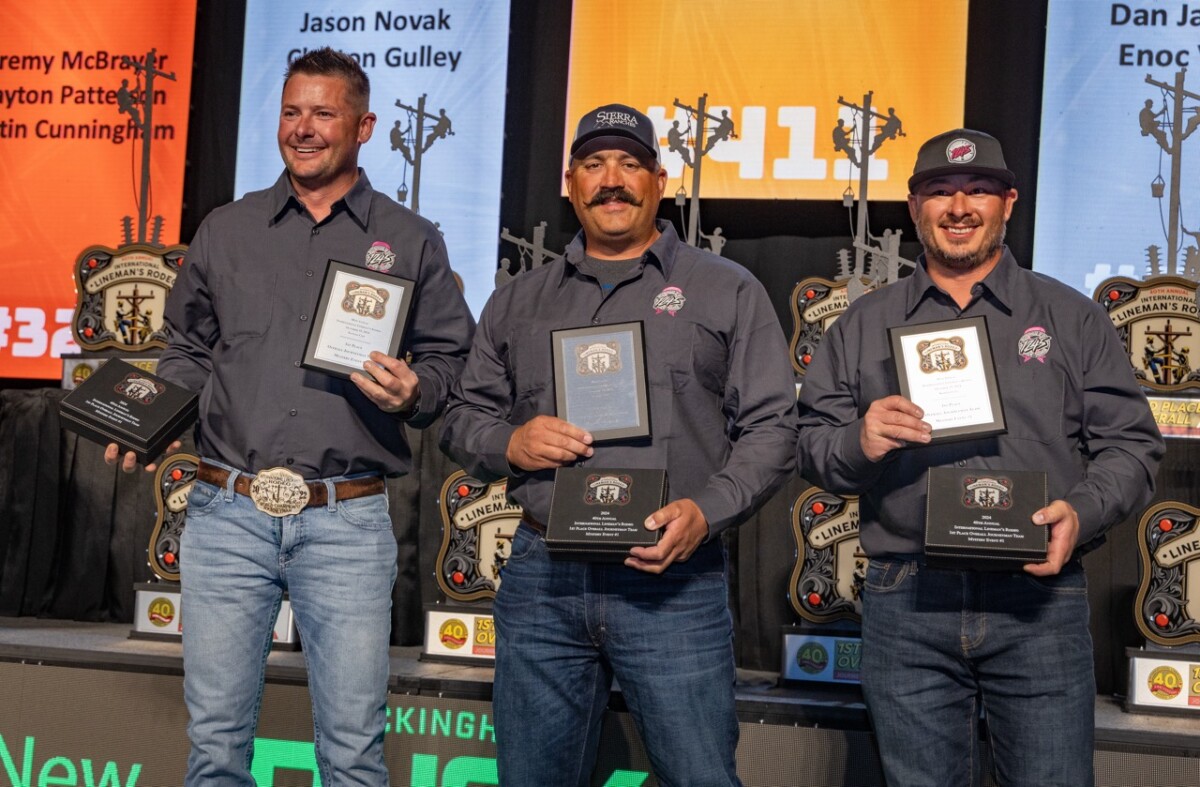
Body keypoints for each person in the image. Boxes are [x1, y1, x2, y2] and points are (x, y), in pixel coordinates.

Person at [105, 47, 474, 785]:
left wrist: (415, 390)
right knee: (214, 747)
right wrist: (150, 419)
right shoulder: (225, 229)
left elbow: (452, 364)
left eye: (323, 114)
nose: (302, 129)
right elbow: (187, 349)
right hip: (224, 511)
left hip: (345, 520)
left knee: (352, 752)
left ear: (364, 125)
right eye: (291, 112)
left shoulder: (410, 240)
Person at [440, 103, 797, 786]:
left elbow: (775, 428)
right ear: (568, 181)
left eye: (630, 164)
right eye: (596, 164)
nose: (613, 180)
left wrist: (708, 511)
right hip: (544, 574)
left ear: (660, 181)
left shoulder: (727, 290)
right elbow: (462, 414)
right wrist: (510, 441)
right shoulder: (517, 301)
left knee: (700, 777)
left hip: (674, 578)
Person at [795, 128, 1164, 786]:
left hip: (1038, 601)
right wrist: (859, 440)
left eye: (978, 191)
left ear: (1009, 202)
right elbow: (811, 446)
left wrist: (1080, 513)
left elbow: (1131, 443)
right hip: (907, 597)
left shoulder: (1071, 318)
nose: (959, 207)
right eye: (939, 191)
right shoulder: (860, 323)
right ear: (913, 208)